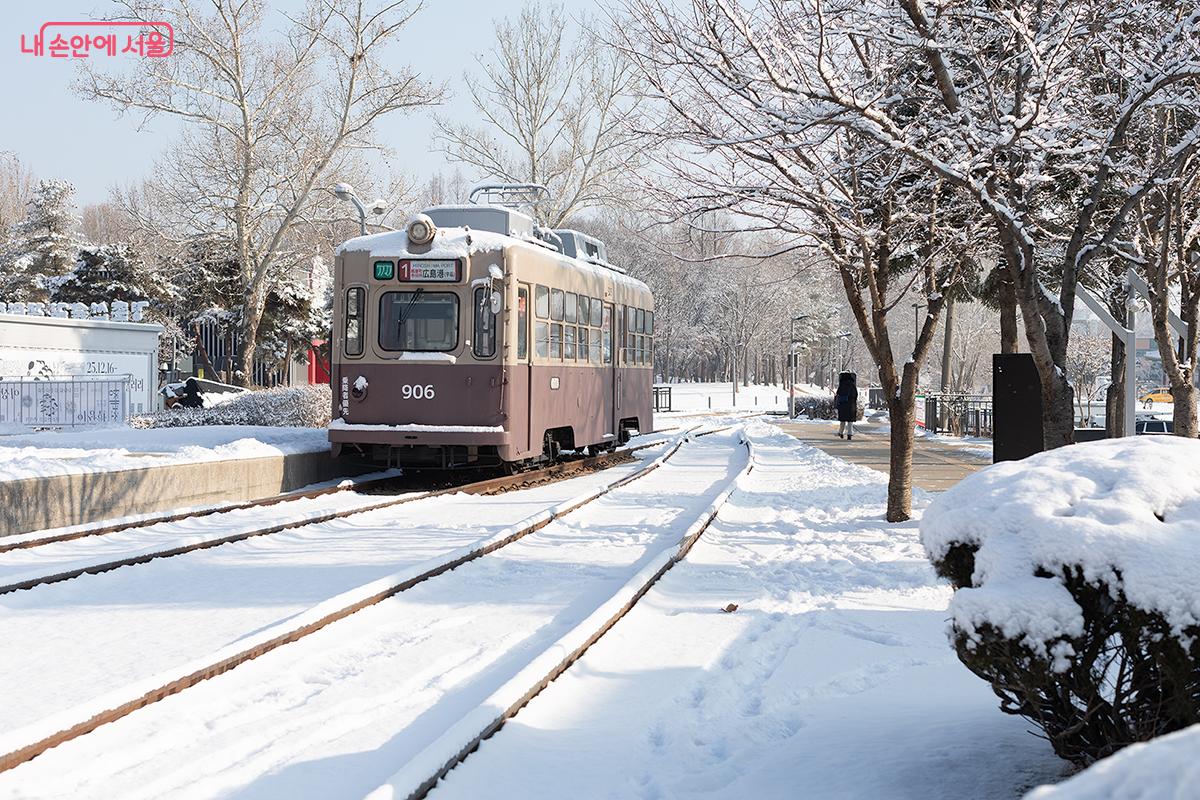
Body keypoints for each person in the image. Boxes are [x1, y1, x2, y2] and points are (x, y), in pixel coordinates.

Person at [834, 372, 858, 440]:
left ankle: (841, 432)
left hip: (843, 405)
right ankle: (849, 434)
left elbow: (838, 394)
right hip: (851, 405)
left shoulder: (841, 385)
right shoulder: (853, 385)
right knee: (850, 421)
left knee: (843, 420)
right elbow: (856, 395)